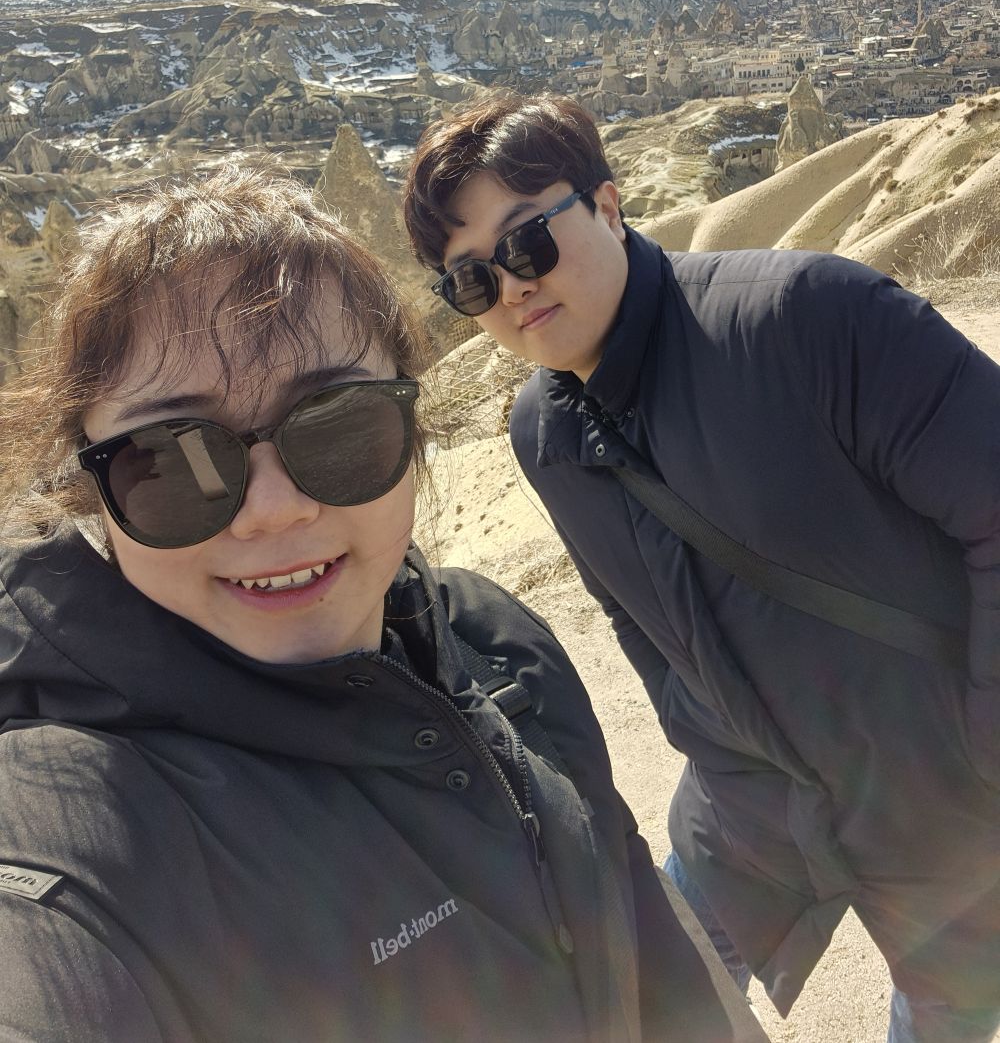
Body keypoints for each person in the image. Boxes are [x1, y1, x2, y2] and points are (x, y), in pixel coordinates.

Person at [0, 165, 763, 1043]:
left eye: (337, 425)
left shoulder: (496, 643)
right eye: (170, 458)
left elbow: (650, 939)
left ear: (411, 424)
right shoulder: (78, 818)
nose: (274, 510)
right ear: (89, 491)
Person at [403, 92, 1000, 1043]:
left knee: (940, 1015)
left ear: (607, 205)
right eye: (471, 279)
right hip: (749, 810)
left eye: (527, 242)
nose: (511, 287)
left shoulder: (806, 318)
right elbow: (635, 619)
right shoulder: (543, 433)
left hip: (940, 798)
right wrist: (704, 741)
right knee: (650, 1002)